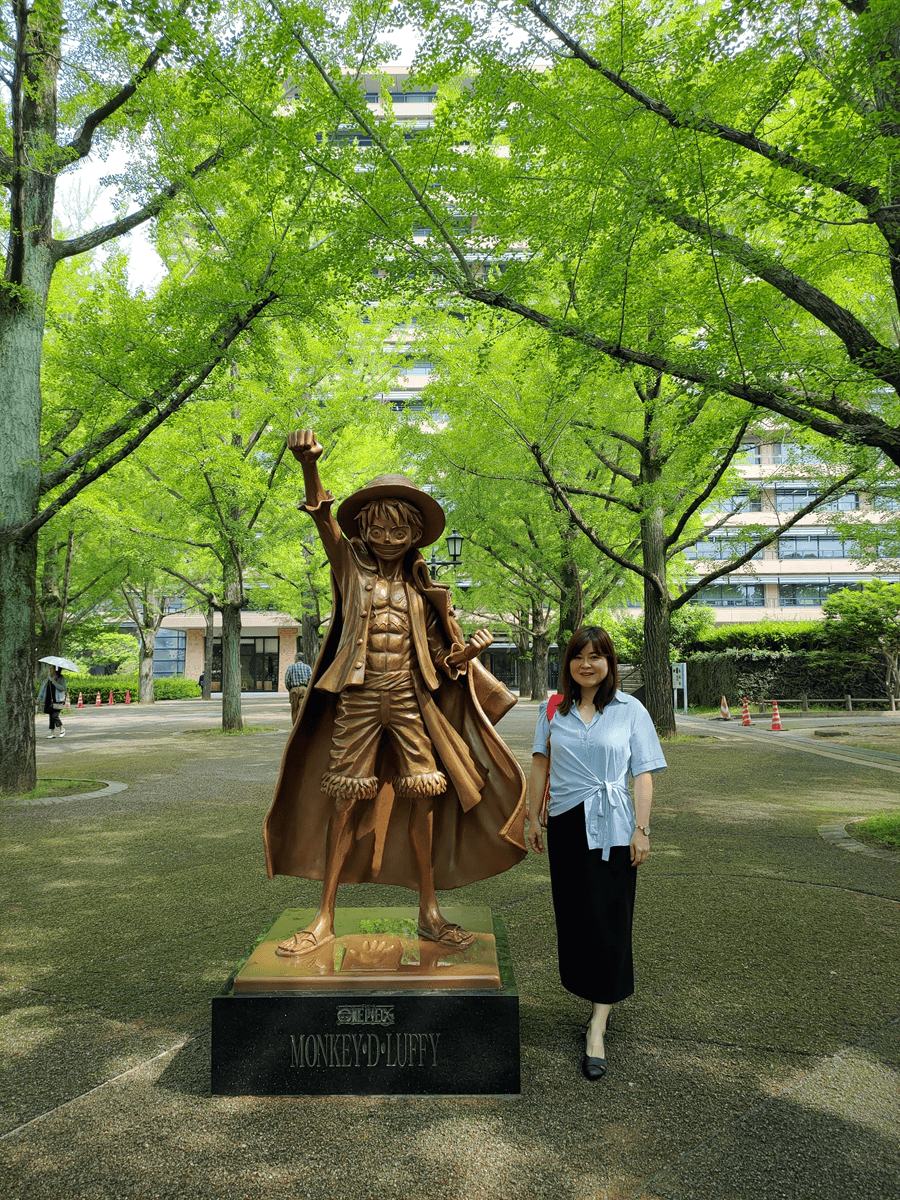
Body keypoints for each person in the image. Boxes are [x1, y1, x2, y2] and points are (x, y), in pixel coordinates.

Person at [264, 430, 527, 956]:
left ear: (414, 535)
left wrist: (464, 654)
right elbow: (320, 513)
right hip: (357, 698)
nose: (387, 535)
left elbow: (438, 659)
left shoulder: (423, 592)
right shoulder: (348, 568)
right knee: (344, 798)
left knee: (425, 794)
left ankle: (429, 911)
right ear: (363, 528)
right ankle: (324, 917)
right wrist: (310, 465)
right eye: (378, 526)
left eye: (399, 527)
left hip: (410, 701)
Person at [527, 626, 667, 1081]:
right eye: (578, 656)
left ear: (609, 663)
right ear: (567, 663)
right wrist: (532, 818)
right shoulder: (554, 710)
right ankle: (587, 994)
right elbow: (540, 764)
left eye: (596, 656)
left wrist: (642, 830)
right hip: (567, 825)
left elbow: (643, 773)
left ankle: (597, 1026)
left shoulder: (631, 710)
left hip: (614, 826)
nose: (587, 664)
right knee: (575, 919)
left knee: (611, 920)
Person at [284, 652, 312, 724]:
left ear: (296, 659)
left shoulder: (291, 667)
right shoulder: (307, 668)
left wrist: (290, 689)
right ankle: (301, 727)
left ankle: (295, 729)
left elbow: (287, 680)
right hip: (304, 689)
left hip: (294, 689)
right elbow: (311, 679)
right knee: (302, 710)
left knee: (294, 710)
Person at [40, 666, 67, 739]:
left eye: (51, 669)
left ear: (56, 669)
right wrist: (40, 697)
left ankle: (62, 729)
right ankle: (52, 733)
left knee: (54, 716)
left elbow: (63, 688)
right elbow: (43, 688)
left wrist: (54, 682)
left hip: (57, 700)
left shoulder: (60, 678)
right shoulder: (49, 678)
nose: (50, 670)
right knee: (50, 716)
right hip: (49, 699)